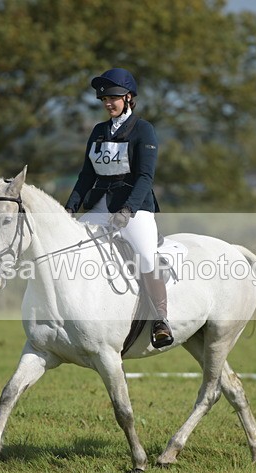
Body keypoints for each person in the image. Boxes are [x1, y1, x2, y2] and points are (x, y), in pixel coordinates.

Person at [64, 67, 173, 349]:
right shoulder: (99, 131)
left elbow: (145, 177)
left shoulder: (143, 130)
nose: (108, 104)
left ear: (127, 97)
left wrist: (128, 210)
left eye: (112, 98)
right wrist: (70, 208)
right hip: (100, 205)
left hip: (135, 207)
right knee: (72, 247)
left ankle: (161, 320)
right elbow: (86, 175)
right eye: (103, 100)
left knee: (146, 256)